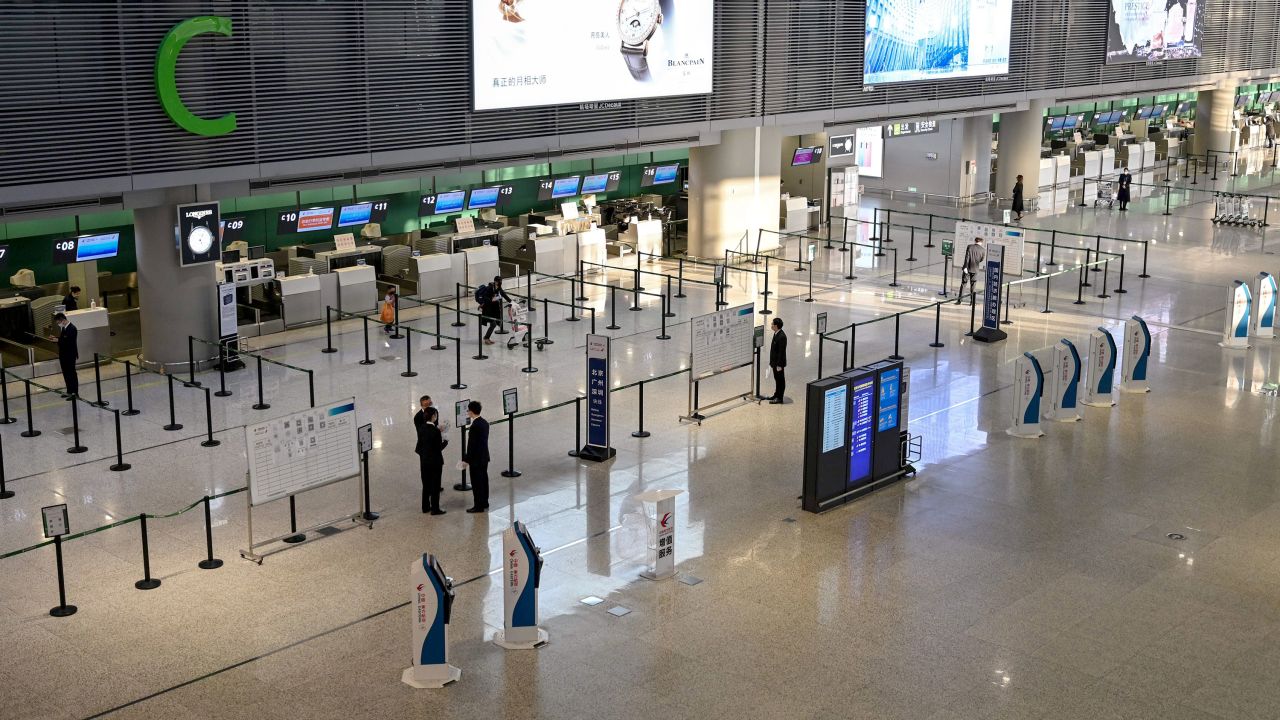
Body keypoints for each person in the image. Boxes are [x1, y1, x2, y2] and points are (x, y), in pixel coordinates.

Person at [415, 406, 448, 515]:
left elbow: (419, 446)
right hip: (435, 462)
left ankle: (425, 507)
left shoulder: (421, 428)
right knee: (435, 485)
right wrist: (446, 442)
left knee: (426, 485)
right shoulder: (435, 431)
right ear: (433, 416)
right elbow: (438, 448)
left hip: (424, 462)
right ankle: (435, 508)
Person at [461, 400, 490, 513]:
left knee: (476, 483)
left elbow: (472, 446)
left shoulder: (474, 427)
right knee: (484, 480)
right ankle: (485, 501)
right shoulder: (484, 423)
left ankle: (478, 505)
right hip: (484, 457)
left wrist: (466, 459)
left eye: (468, 410)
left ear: (471, 412)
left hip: (476, 460)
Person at [477, 276, 512, 344]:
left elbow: (503, 294)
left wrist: (511, 301)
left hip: (493, 309)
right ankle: (486, 338)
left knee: (493, 324)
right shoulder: (490, 288)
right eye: (499, 281)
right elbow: (485, 297)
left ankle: (487, 337)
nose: (500, 282)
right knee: (493, 324)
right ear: (495, 281)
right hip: (488, 309)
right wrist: (491, 299)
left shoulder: (498, 288)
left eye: (501, 281)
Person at [52, 312, 78, 399]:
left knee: (71, 373)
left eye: (58, 322)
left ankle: (75, 393)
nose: (58, 324)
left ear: (62, 320)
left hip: (70, 355)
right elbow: (63, 339)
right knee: (66, 373)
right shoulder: (64, 329)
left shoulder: (72, 328)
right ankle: (69, 391)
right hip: (63, 355)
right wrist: (57, 338)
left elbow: (69, 343)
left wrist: (58, 341)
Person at [957, 237, 985, 304]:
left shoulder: (970, 247)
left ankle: (959, 300)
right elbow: (981, 259)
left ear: (975, 241)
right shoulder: (983, 250)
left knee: (963, 284)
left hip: (967, 269)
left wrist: (965, 267)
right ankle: (972, 302)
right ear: (981, 242)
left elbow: (967, 257)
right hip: (975, 269)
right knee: (973, 286)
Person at [768, 317, 787, 404]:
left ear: (776, 326)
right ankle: (776, 394)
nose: (771, 325)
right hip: (774, 362)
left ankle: (780, 397)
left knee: (780, 380)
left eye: (772, 324)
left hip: (779, 364)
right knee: (777, 379)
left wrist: (779, 365)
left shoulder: (782, 336)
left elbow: (781, 352)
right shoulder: (776, 333)